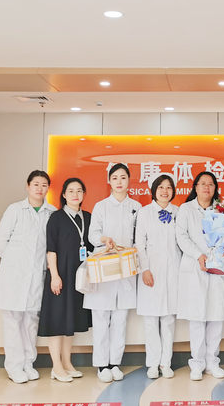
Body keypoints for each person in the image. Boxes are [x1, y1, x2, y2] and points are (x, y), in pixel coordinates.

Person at [0, 170, 57, 384]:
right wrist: (15, 264)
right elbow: (0, 242)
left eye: (44, 185)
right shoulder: (15, 210)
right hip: (14, 276)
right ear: (28, 186)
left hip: (37, 275)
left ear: (48, 189)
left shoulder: (51, 213)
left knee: (31, 321)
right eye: (36, 184)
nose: (40, 188)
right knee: (13, 321)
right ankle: (14, 366)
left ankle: (28, 363)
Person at [176, 171, 224, 381]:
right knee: (197, 318)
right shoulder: (186, 209)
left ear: (215, 188)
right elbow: (181, 236)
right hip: (195, 268)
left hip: (218, 268)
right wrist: (198, 255)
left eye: (210, 184)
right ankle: (197, 363)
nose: (206, 187)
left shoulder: (223, 210)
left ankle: (212, 362)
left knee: (216, 317)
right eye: (202, 184)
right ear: (195, 187)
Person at [85, 163, 142, 383]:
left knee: (120, 319)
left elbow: (140, 238)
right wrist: (104, 239)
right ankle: (102, 365)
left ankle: (114, 363)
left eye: (123, 177)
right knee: (101, 317)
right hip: (105, 269)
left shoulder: (136, 207)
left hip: (126, 269)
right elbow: (92, 235)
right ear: (109, 181)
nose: (119, 181)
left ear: (129, 181)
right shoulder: (101, 206)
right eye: (115, 178)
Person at [38, 177, 93, 382]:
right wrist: (54, 276)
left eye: (79, 190)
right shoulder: (56, 218)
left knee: (71, 319)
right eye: (71, 191)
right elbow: (51, 249)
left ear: (84, 194)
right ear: (63, 194)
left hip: (79, 277)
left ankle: (67, 362)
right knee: (57, 320)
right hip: (60, 275)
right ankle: (56, 366)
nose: (75, 194)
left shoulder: (87, 217)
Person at [135, 173, 182, 379]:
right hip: (151, 271)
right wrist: (145, 269)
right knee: (151, 320)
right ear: (153, 190)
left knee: (169, 319)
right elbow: (140, 243)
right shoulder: (145, 212)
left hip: (173, 271)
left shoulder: (179, 212)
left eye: (169, 187)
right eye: (161, 187)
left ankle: (166, 363)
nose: (165, 191)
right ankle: (153, 363)